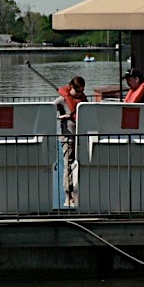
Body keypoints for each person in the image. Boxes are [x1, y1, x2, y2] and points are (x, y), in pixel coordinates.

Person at [56, 76, 87, 206]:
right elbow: (50, 109)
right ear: (72, 88)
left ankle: (78, 192)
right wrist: (63, 116)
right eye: (78, 91)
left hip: (79, 135)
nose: (80, 94)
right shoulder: (63, 99)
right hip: (68, 136)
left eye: (82, 91)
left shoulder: (82, 100)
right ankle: (68, 196)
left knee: (79, 163)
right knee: (68, 163)